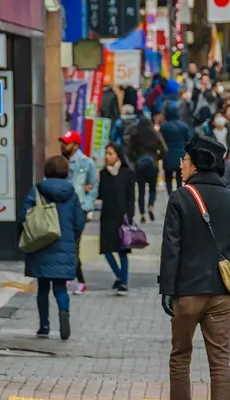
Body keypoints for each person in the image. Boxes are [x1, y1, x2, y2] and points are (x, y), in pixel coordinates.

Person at [159, 135, 230, 400]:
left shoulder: (181, 197)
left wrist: (167, 289)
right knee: (220, 360)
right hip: (222, 292)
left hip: (187, 291)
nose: (181, 166)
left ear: (195, 163)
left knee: (180, 356)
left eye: (184, 161)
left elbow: (171, 248)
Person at [18, 155, 85, 339]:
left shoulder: (37, 190)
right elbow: (79, 221)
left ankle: (44, 326)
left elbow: (23, 216)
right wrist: (72, 238)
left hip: (41, 245)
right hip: (64, 247)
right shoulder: (71, 193)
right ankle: (64, 313)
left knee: (43, 288)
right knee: (60, 288)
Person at [59, 130, 97, 294]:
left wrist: (86, 207)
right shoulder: (60, 162)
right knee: (65, 244)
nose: (63, 145)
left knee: (73, 245)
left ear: (75, 145)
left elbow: (93, 187)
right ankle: (68, 277)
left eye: (66, 143)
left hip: (78, 209)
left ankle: (79, 280)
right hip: (62, 208)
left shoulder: (86, 163)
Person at [98, 143, 136, 295]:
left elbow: (131, 197)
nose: (107, 157)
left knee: (122, 252)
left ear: (118, 155)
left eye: (110, 154)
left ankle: (124, 283)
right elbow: (101, 194)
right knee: (106, 250)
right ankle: (121, 277)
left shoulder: (127, 173)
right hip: (107, 217)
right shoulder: (103, 173)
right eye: (106, 153)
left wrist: (130, 216)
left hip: (122, 217)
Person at [128, 116, 167, 222]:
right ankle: (150, 205)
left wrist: (135, 159)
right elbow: (164, 149)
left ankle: (142, 213)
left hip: (140, 165)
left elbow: (129, 151)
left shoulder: (135, 134)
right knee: (153, 189)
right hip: (152, 165)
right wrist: (158, 158)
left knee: (141, 190)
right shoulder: (155, 134)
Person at [161, 102, 191, 193]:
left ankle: (170, 194)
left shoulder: (164, 127)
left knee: (168, 178)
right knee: (179, 177)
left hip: (168, 154)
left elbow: (162, 141)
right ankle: (178, 194)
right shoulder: (184, 126)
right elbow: (188, 141)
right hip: (181, 155)